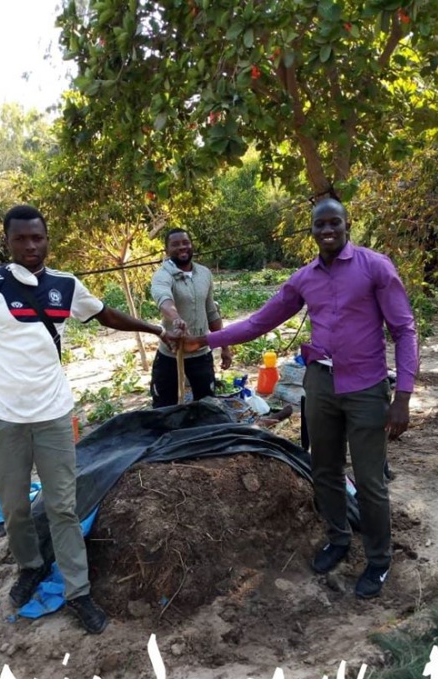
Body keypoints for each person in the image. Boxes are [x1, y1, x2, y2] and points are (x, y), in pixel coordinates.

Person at [178, 198, 419, 599]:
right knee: (324, 469)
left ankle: (378, 560)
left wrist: (403, 396)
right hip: (320, 384)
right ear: (312, 230)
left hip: (366, 387)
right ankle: (338, 539)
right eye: (319, 224)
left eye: (334, 223)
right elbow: (260, 321)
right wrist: (205, 339)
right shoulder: (305, 278)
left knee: (371, 480)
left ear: (347, 225)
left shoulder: (375, 267)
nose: (327, 230)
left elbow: (405, 330)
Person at [0, 204, 171, 634]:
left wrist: (155, 329)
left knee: (63, 507)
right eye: (21, 239)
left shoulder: (66, 286)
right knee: (13, 509)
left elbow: (106, 314)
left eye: (38, 238)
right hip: (4, 420)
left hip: (53, 415)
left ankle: (78, 592)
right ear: (7, 241)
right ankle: (29, 566)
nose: (31, 246)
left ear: (47, 239)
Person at [150, 228, 232, 407]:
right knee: (164, 407)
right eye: (175, 244)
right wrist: (176, 318)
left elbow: (211, 312)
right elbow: (163, 299)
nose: (182, 247)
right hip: (171, 354)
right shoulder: (162, 275)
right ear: (167, 250)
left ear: (191, 245)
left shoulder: (204, 274)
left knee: (207, 406)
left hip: (201, 354)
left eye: (185, 243)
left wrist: (225, 346)